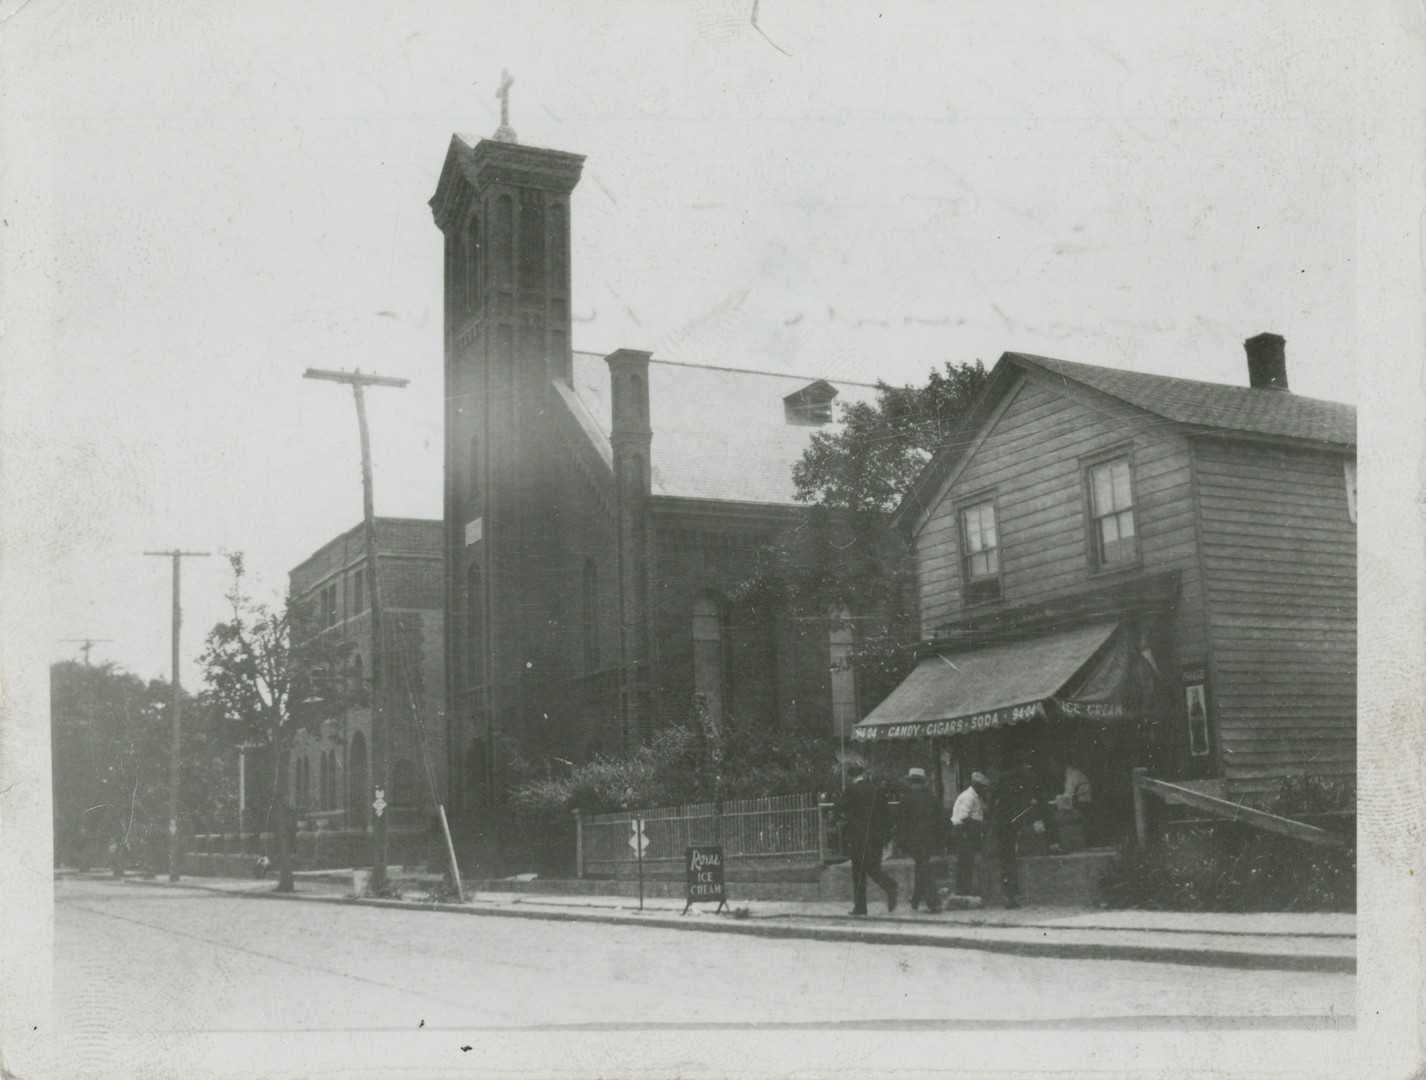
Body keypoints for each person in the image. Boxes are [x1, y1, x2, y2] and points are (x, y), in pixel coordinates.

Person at [834, 762, 898, 915]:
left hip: (858, 836)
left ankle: (862, 905)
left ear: (850, 777)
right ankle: (888, 886)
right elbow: (887, 814)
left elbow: (839, 807)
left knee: (859, 871)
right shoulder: (876, 789)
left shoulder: (851, 790)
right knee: (872, 867)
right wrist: (885, 836)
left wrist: (844, 817)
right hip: (876, 836)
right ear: (862, 774)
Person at [989, 754, 1046, 908]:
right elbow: (1043, 803)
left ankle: (1009, 896)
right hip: (1023, 822)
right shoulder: (1033, 778)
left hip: (1005, 823)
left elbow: (993, 800)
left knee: (1007, 858)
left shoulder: (1004, 778)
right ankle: (1012, 896)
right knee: (1014, 856)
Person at [894, 767, 946, 913]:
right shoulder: (932, 799)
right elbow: (940, 821)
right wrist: (941, 841)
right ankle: (916, 899)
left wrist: (900, 842)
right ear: (923, 782)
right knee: (922, 866)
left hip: (914, 840)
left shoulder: (905, 800)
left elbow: (902, 824)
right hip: (930, 839)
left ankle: (933, 901)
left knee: (923, 867)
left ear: (910, 782)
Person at [949, 772, 992, 896]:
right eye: (982, 787)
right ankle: (962, 889)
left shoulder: (976, 797)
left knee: (967, 861)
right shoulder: (969, 797)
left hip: (968, 831)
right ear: (976, 785)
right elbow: (964, 816)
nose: (984, 790)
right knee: (964, 861)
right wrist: (980, 825)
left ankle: (964, 888)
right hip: (964, 831)